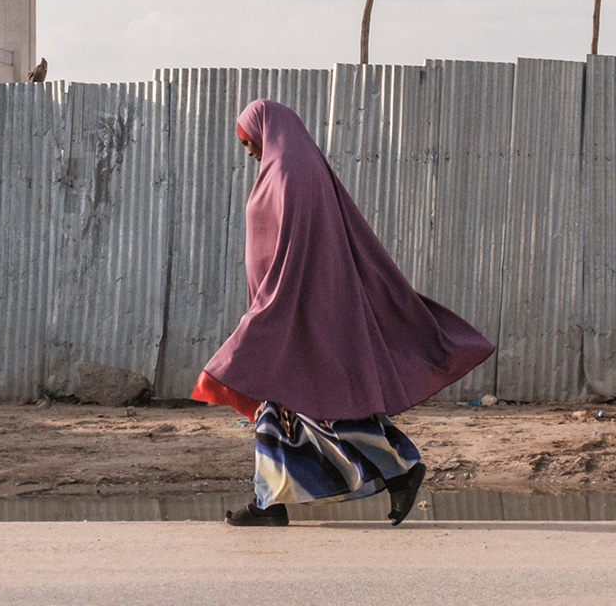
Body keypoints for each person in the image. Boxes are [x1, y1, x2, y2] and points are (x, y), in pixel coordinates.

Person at [192, 99, 494, 527]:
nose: (249, 152)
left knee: (314, 402)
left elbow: (295, 251)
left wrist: (271, 309)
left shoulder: (290, 173)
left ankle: (395, 473)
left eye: (249, 141)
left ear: (265, 131)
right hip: (298, 307)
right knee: (294, 406)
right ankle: (276, 502)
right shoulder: (293, 168)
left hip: (297, 308)